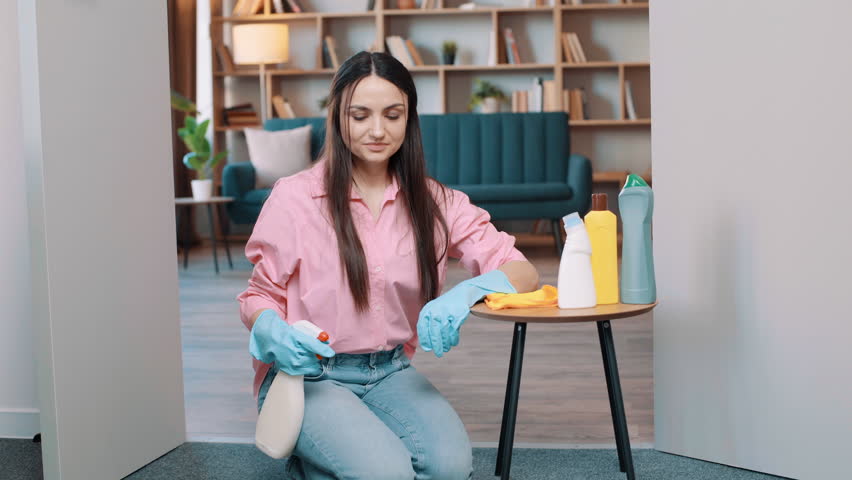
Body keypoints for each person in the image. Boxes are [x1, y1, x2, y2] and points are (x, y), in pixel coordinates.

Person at [237, 51, 539, 480]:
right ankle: (321, 459)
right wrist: (271, 330)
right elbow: (258, 296)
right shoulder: (295, 198)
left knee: (451, 469)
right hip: (308, 379)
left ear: (409, 119)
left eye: (392, 115)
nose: (377, 130)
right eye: (360, 116)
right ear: (339, 118)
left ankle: (329, 463)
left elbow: (522, 271)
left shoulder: (436, 202)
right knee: (389, 474)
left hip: (390, 371)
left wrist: (467, 291)